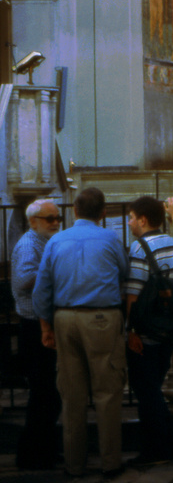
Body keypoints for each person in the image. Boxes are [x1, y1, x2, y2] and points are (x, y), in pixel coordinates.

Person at [33, 186, 128, 481]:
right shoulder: (111, 238)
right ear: (102, 213)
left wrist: (46, 327)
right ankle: (110, 463)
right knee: (107, 393)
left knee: (71, 395)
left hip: (64, 319)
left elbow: (41, 290)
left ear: (74, 210)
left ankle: (74, 466)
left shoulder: (55, 240)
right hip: (102, 318)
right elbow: (124, 275)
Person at [125, 196, 173, 467]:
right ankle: (171, 446)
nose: (129, 223)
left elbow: (132, 294)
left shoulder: (138, 248)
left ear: (142, 220)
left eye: (130, 217)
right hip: (170, 330)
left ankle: (157, 450)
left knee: (146, 391)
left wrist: (130, 332)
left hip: (147, 332)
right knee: (154, 388)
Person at [10, 198, 62, 470]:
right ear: (33, 221)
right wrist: (55, 271)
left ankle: (45, 451)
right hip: (34, 326)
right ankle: (33, 456)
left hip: (42, 323)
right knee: (42, 393)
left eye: (57, 218)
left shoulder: (43, 242)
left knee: (49, 394)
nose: (55, 223)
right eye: (49, 218)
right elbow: (22, 280)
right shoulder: (30, 244)